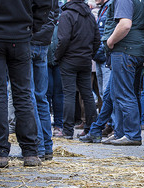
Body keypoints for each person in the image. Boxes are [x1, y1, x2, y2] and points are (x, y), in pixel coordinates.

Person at [0, 0, 51, 168]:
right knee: (23, 95)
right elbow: (44, 4)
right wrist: (30, 27)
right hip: (20, 36)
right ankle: (30, 153)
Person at [103, 0, 144, 146]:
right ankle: (121, 133)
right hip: (136, 49)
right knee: (123, 93)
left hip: (125, 50)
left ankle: (132, 135)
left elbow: (125, 24)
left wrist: (110, 41)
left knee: (123, 93)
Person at [55, 0, 100, 139]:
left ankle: (68, 130)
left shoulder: (66, 14)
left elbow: (63, 40)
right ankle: (91, 129)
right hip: (85, 60)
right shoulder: (90, 15)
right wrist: (89, 54)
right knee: (87, 94)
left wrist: (57, 57)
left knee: (68, 94)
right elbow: (97, 39)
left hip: (69, 59)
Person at [30, 0, 60, 161]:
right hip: (44, 39)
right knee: (40, 97)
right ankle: (46, 147)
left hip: (32, 38)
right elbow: (54, 12)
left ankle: (39, 147)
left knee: (30, 97)